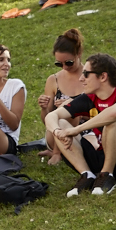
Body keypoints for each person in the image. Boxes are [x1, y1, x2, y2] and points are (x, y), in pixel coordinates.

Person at [45, 53, 116, 197]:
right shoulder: (89, 98)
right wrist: (57, 132)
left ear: (103, 77)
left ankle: (107, 175)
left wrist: (76, 130)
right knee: (60, 123)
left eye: (86, 74)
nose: (81, 78)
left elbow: (115, 114)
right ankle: (87, 175)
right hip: (100, 156)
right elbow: (52, 116)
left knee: (115, 121)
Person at [37, 28, 86, 165]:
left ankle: (59, 153)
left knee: (71, 110)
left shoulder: (90, 76)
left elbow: (103, 111)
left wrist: (76, 110)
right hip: (56, 134)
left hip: (86, 130)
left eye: (68, 63)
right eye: (59, 64)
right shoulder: (53, 80)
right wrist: (44, 108)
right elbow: (47, 120)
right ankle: (58, 151)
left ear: (79, 54)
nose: (64, 67)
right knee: (62, 115)